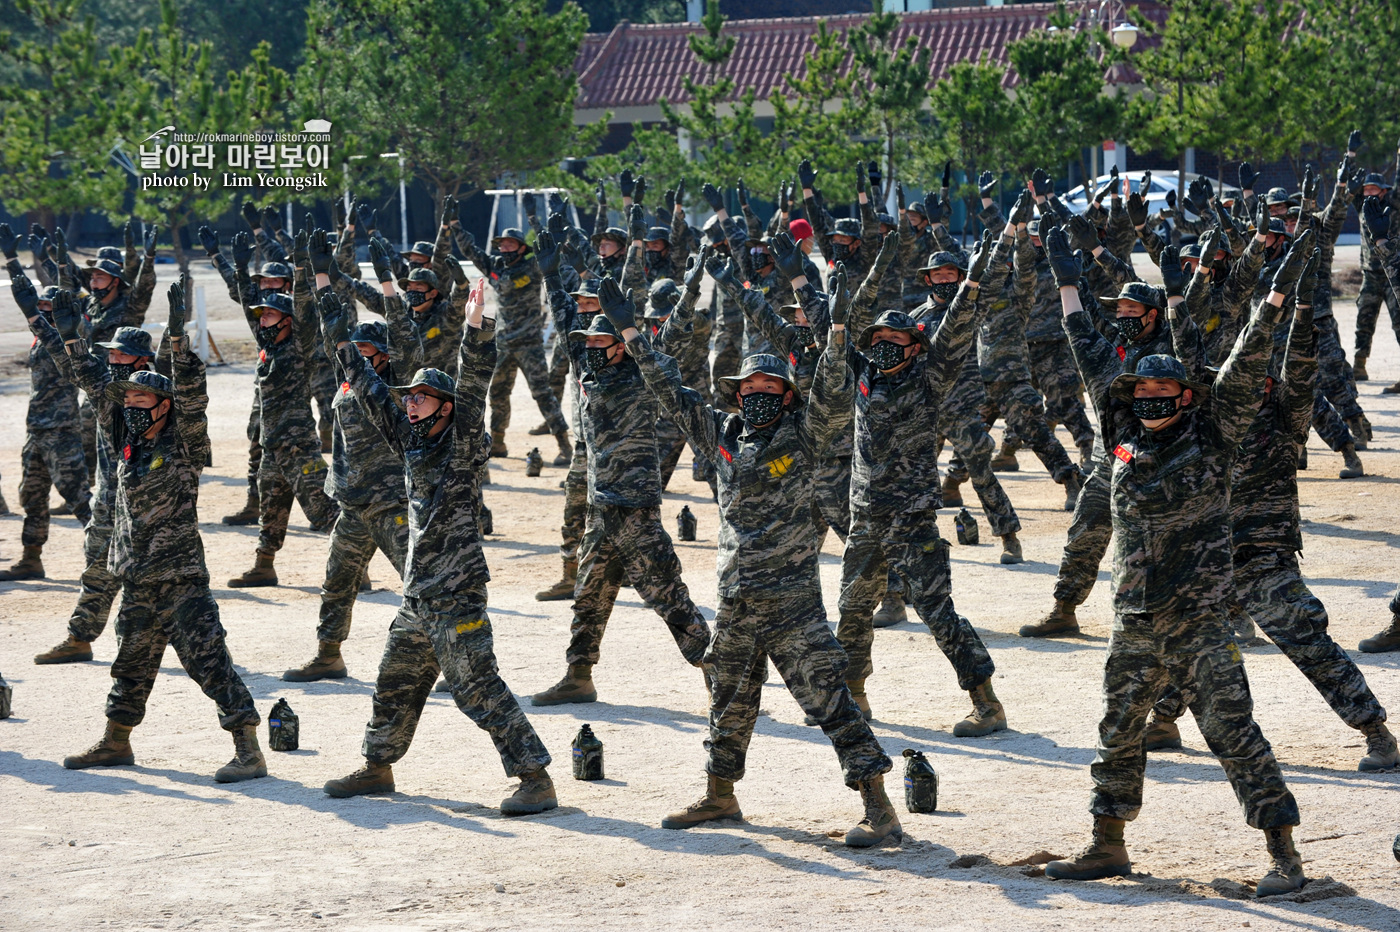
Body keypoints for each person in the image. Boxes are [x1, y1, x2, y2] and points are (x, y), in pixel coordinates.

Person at [1042, 226, 1311, 898]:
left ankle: (1284, 854)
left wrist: (1277, 296)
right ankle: (1107, 844)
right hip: (1133, 619)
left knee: (1233, 732)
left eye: (1167, 385)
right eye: (1142, 387)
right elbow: (1089, 351)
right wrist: (1068, 286)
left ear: (1188, 394)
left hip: (1199, 621)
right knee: (1117, 733)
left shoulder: (1213, 435)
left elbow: (1247, 361)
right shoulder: (1120, 431)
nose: (1152, 394)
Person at [622, 258, 901, 848]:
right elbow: (671, 390)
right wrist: (631, 337)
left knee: (830, 700)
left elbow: (831, 391)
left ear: (786, 394)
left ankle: (879, 809)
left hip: (793, 601)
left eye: (769, 387)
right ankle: (720, 795)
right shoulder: (721, 435)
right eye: (748, 387)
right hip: (736, 600)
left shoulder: (805, 434)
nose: (756, 395)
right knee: (728, 702)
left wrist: (838, 334)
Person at [1138, 243, 1398, 772]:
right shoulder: (1210, 414)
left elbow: (1301, 372)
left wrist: (1301, 311)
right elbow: (1187, 352)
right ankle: (1164, 720)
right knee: (1184, 646)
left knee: (1308, 643)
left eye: (1260, 376)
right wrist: (1173, 297)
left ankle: (1376, 732)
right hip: (1211, 556)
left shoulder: (1284, 418)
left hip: (1262, 559)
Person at [319, 280, 557, 814]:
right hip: (419, 592)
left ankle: (535, 778)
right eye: (409, 397)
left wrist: (475, 328)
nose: (410, 404)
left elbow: (474, 383)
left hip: (455, 590)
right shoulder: (410, 439)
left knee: (476, 687)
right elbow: (370, 388)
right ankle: (378, 766)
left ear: (446, 407)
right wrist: (338, 336)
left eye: (422, 397)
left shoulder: (464, 441)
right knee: (394, 681)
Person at [62, 280, 267, 783]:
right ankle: (116, 741)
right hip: (137, 579)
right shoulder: (125, 444)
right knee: (131, 663)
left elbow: (193, 399)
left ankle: (248, 750)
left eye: (140, 396)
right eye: (127, 396)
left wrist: (177, 341)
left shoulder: (183, 446)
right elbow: (94, 383)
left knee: (210, 663)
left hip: (179, 580)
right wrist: (68, 339)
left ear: (162, 404)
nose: (130, 403)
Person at [837, 224, 1013, 733]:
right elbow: (841, 325)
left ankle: (986, 703)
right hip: (866, 515)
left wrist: (975, 279)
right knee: (852, 609)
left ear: (915, 346)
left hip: (911, 517)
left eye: (897, 339)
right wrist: (851, 276)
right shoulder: (863, 375)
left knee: (937, 611)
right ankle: (853, 695)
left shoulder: (930, 376)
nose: (886, 346)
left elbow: (956, 327)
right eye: (880, 339)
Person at [528, 263, 711, 707]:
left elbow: (666, 349)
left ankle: (717, 668)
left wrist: (638, 323)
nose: (589, 347)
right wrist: (553, 277)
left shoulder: (641, 377)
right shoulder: (590, 375)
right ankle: (578, 675)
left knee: (666, 593)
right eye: (585, 342)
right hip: (600, 506)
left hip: (634, 508)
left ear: (620, 346)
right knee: (589, 594)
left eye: (598, 340)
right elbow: (563, 314)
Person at [281, 247, 426, 681]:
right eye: (357, 348)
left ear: (385, 354)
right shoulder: (347, 379)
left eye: (369, 349)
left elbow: (406, 332)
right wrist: (320, 276)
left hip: (392, 504)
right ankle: (329, 655)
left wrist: (386, 284)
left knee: (419, 585)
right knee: (338, 584)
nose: (359, 354)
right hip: (352, 502)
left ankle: (436, 660)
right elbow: (331, 330)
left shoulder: (397, 383)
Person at [28, 320, 155, 664]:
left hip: (147, 505)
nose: (113, 360)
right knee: (97, 568)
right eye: (110, 353)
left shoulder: (156, 395)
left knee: (166, 581)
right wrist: (57, 334)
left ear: (142, 361)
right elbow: (75, 369)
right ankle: (79, 637)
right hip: (108, 502)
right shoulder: (109, 390)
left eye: (121, 354)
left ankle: (205, 645)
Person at [227, 230, 340, 588]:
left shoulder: (299, 345)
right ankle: (264, 565)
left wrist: (306, 267)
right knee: (270, 509)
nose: (262, 319)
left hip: (296, 444)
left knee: (323, 508)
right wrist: (242, 269)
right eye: (262, 316)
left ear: (287, 320)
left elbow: (306, 309)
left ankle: (355, 568)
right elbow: (248, 303)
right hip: (271, 443)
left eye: (271, 315)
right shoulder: (268, 347)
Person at [0, 238, 92, 581]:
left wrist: (59, 262)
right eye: (41, 307)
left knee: (78, 496)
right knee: (32, 497)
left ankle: (103, 557)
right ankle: (31, 558)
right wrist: (12, 261)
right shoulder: (41, 336)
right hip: (36, 429)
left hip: (62, 430)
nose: (42, 311)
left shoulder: (72, 337)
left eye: (48, 307)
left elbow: (68, 307)